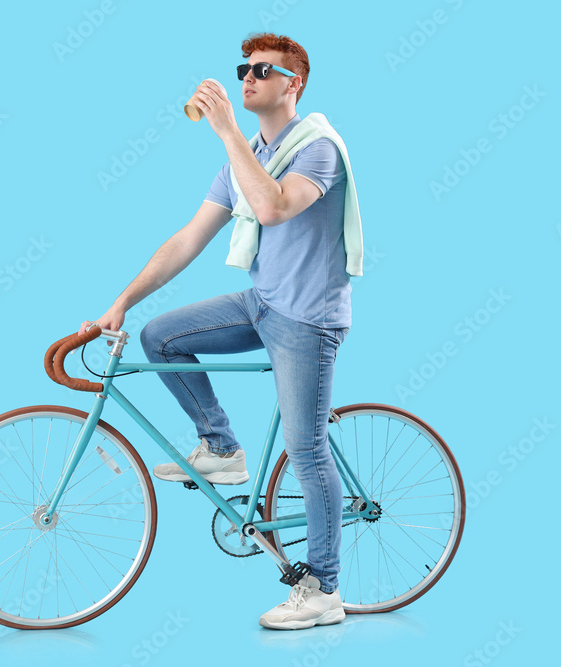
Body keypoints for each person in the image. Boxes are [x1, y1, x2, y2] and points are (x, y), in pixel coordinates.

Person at [80, 32, 361, 630]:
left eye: (265, 69)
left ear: (295, 84)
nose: (249, 76)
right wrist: (121, 301)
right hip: (262, 302)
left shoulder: (320, 147)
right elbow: (187, 239)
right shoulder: (241, 157)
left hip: (307, 318)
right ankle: (221, 448)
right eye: (245, 68)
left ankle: (324, 590)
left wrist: (230, 133)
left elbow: (275, 208)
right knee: (161, 337)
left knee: (305, 450)